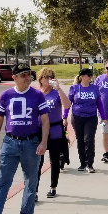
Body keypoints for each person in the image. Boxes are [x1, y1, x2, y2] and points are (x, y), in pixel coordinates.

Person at [0, 63, 50, 214]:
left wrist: (43, 142)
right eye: (23, 75)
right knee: (2, 181)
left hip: (31, 143)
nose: (27, 78)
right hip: (10, 143)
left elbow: (45, 120)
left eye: (29, 74)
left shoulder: (37, 95)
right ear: (14, 78)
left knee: (30, 181)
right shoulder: (6, 95)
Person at [35, 68, 71, 201]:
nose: (48, 80)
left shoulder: (56, 93)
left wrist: (59, 89)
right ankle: (35, 189)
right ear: (40, 79)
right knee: (38, 161)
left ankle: (53, 186)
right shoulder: (37, 94)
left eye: (50, 77)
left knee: (55, 160)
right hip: (39, 130)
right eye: (45, 77)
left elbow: (67, 105)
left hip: (55, 129)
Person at [63, 68, 106, 173]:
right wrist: (64, 117)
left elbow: (99, 103)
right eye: (88, 75)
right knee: (80, 140)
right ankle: (82, 163)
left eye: (91, 75)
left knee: (89, 139)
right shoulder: (74, 88)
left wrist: (103, 117)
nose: (91, 77)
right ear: (82, 76)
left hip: (91, 117)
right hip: (77, 117)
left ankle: (89, 163)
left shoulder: (95, 88)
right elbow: (68, 103)